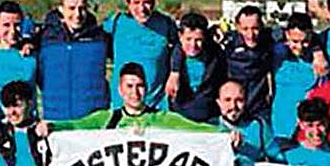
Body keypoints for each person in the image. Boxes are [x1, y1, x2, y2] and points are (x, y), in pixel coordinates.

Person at [45, 63, 218, 132]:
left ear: (147, 88)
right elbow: (77, 125)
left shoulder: (161, 118)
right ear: (120, 90)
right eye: (129, 86)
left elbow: (194, 128)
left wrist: (223, 134)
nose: (134, 93)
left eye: (139, 86)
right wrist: (52, 126)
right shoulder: (107, 118)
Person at [38, 0, 110, 120]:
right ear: (61, 9)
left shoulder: (100, 38)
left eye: (82, 8)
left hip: (94, 120)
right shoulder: (44, 38)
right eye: (71, 8)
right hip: (56, 119)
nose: (77, 14)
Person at [105, 0, 178, 111]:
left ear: (154, 3)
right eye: (136, 3)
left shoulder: (166, 24)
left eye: (146, 2)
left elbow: (181, 48)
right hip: (122, 105)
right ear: (128, 4)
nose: (142, 8)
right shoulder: (116, 22)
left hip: (157, 104)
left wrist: (175, 72)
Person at [269, 12, 328, 140]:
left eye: (305, 41)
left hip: (307, 126)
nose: (300, 47)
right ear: (287, 35)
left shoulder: (318, 62)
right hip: (280, 124)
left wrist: (317, 50)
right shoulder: (277, 53)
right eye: (295, 41)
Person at [0, 1, 38, 121]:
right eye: (6, 25)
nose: (13, 30)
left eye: (17, 24)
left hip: (26, 124)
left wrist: (32, 43)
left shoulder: (32, 56)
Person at [165, 12, 225, 124]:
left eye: (198, 40)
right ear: (180, 36)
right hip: (178, 117)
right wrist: (175, 72)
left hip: (210, 118)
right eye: (188, 39)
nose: (193, 45)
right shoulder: (170, 57)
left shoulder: (216, 56)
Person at [223, 5, 277, 121]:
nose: (250, 34)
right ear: (237, 27)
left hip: (258, 106)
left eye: (255, 28)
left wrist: (317, 52)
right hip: (233, 105)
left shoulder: (270, 39)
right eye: (245, 29)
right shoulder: (228, 42)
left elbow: (297, 32)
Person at [216, 79, 280, 165]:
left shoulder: (259, 126)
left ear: (245, 102)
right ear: (219, 102)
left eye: (239, 100)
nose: (233, 106)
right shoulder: (210, 129)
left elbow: (279, 160)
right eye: (227, 100)